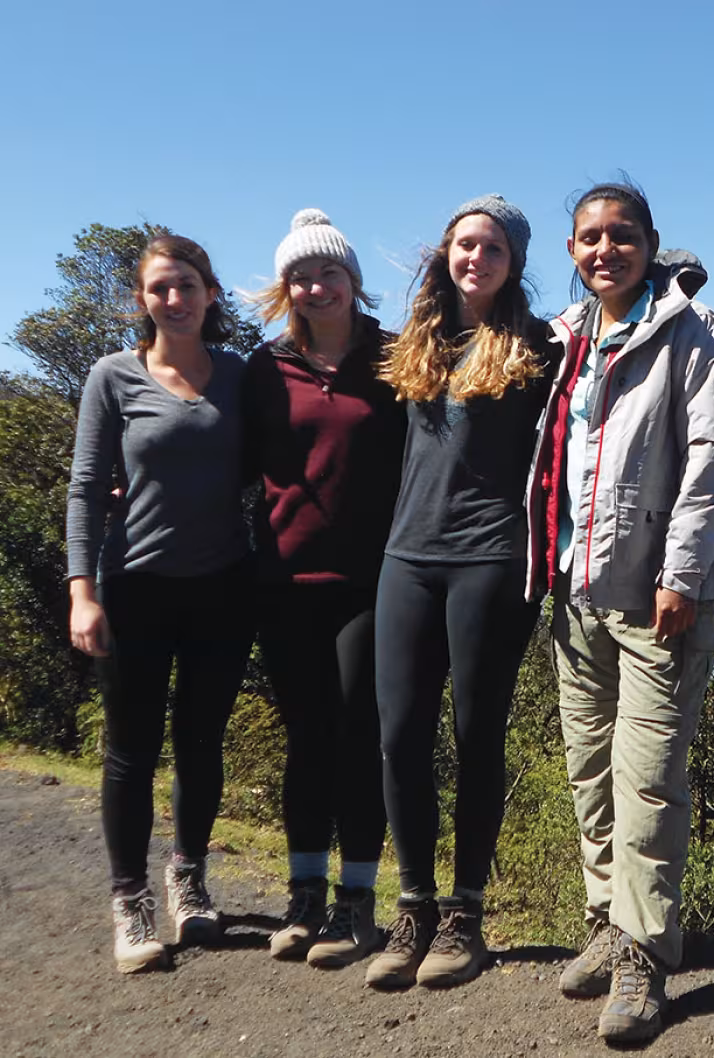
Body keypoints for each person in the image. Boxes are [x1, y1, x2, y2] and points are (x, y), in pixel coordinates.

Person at [525, 181, 714, 1042]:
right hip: (573, 588)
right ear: (572, 253)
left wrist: (682, 576)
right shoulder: (566, 340)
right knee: (589, 771)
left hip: (658, 596)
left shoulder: (701, 335)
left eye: (621, 235)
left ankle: (644, 956)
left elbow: (709, 460)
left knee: (647, 777)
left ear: (652, 244)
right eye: (588, 238)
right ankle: (607, 921)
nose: (603, 249)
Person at [365, 195, 558, 991]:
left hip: (489, 560)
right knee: (401, 735)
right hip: (406, 557)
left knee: (478, 736)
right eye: (464, 244)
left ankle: (464, 917)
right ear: (445, 253)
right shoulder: (417, 346)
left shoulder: (536, 346)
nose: (474, 257)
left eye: (491, 248)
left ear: (513, 263)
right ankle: (412, 907)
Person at [67, 234, 254, 973]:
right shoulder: (114, 376)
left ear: (211, 293)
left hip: (224, 585)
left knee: (202, 740)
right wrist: (83, 591)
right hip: (136, 586)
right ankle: (130, 901)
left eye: (186, 286)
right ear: (142, 300)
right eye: (159, 289)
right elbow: (86, 486)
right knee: (129, 752)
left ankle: (188, 877)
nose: (173, 300)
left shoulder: (242, 375)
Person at [244, 210, 405, 968]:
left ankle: (357, 905)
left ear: (352, 279)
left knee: (356, 736)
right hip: (284, 579)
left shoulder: (397, 360)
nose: (316, 287)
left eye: (328, 273)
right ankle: (305, 895)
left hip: (373, 581)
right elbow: (230, 463)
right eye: (301, 277)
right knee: (306, 738)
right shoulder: (266, 369)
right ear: (287, 289)